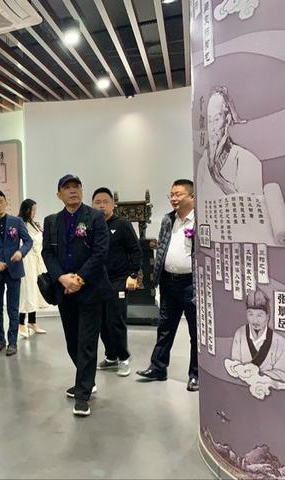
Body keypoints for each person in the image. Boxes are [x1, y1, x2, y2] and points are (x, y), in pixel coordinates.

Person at [41, 174, 111, 417]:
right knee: (72, 341)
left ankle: (82, 394)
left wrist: (79, 279)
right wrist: (62, 278)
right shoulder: (52, 221)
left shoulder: (95, 217)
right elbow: (47, 253)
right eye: (67, 187)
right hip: (65, 291)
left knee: (87, 342)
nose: (73, 191)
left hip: (91, 290)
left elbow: (100, 252)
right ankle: (86, 379)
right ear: (59, 194)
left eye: (76, 187)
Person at [136, 179, 199, 392]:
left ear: (192, 196)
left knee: (195, 331)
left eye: (178, 194)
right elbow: (163, 247)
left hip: (192, 284)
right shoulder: (168, 219)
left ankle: (196, 375)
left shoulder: (200, 220)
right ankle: (158, 368)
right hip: (168, 282)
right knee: (165, 327)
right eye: (171, 194)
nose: (173, 198)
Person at [92, 188, 142, 377]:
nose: (101, 205)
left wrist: (133, 275)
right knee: (102, 322)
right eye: (97, 202)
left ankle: (123, 357)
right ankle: (111, 356)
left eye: (105, 201)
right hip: (97, 281)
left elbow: (136, 251)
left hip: (118, 280)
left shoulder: (122, 225)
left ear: (113, 204)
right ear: (92, 205)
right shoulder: (90, 226)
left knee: (115, 320)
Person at [196, 87, 263, 215]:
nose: (212, 128)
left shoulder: (247, 160)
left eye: (216, 119)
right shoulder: (203, 164)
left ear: (227, 121)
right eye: (210, 121)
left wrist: (217, 177)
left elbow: (251, 210)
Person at [0, 190, 33, 356]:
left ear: (6, 202)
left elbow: (28, 241)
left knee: (13, 308)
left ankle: (13, 342)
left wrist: (21, 252)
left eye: (1, 201)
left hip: (14, 269)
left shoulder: (16, 221)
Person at [231, 288, 285, 382]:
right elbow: (234, 364)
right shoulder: (239, 334)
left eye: (259, 315)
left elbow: (282, 373)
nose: (255, 320)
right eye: (250, 314)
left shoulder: (279, 341)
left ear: (267, 317)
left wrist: (259, 375)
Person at [17, 199, 48, 338]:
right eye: (32, 209)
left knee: (35, 290)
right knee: (26, 291)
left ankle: (32, 321)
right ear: (26, 209)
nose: (34, 212)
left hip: (36, 260)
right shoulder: (19, 223)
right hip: (26, 261)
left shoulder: (34, 224)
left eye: (35, 209)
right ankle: (21, 323)